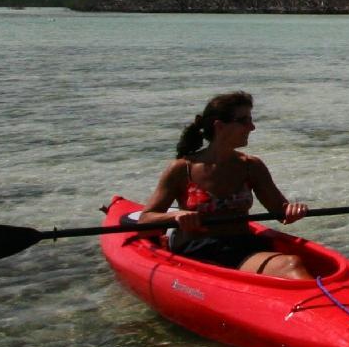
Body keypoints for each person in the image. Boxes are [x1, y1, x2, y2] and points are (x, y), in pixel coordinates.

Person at [130, 91, 315, 278]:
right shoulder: (182, 169)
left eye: (251, 120)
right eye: (243, 121)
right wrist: (176, 215)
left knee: (291, 263)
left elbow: (281, 212)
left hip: (242, 247)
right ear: (219, 126)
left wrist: (292, 211)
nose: (252, 127)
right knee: (289, 266)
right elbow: (145, 221)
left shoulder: (252, 166)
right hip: (198, 249)